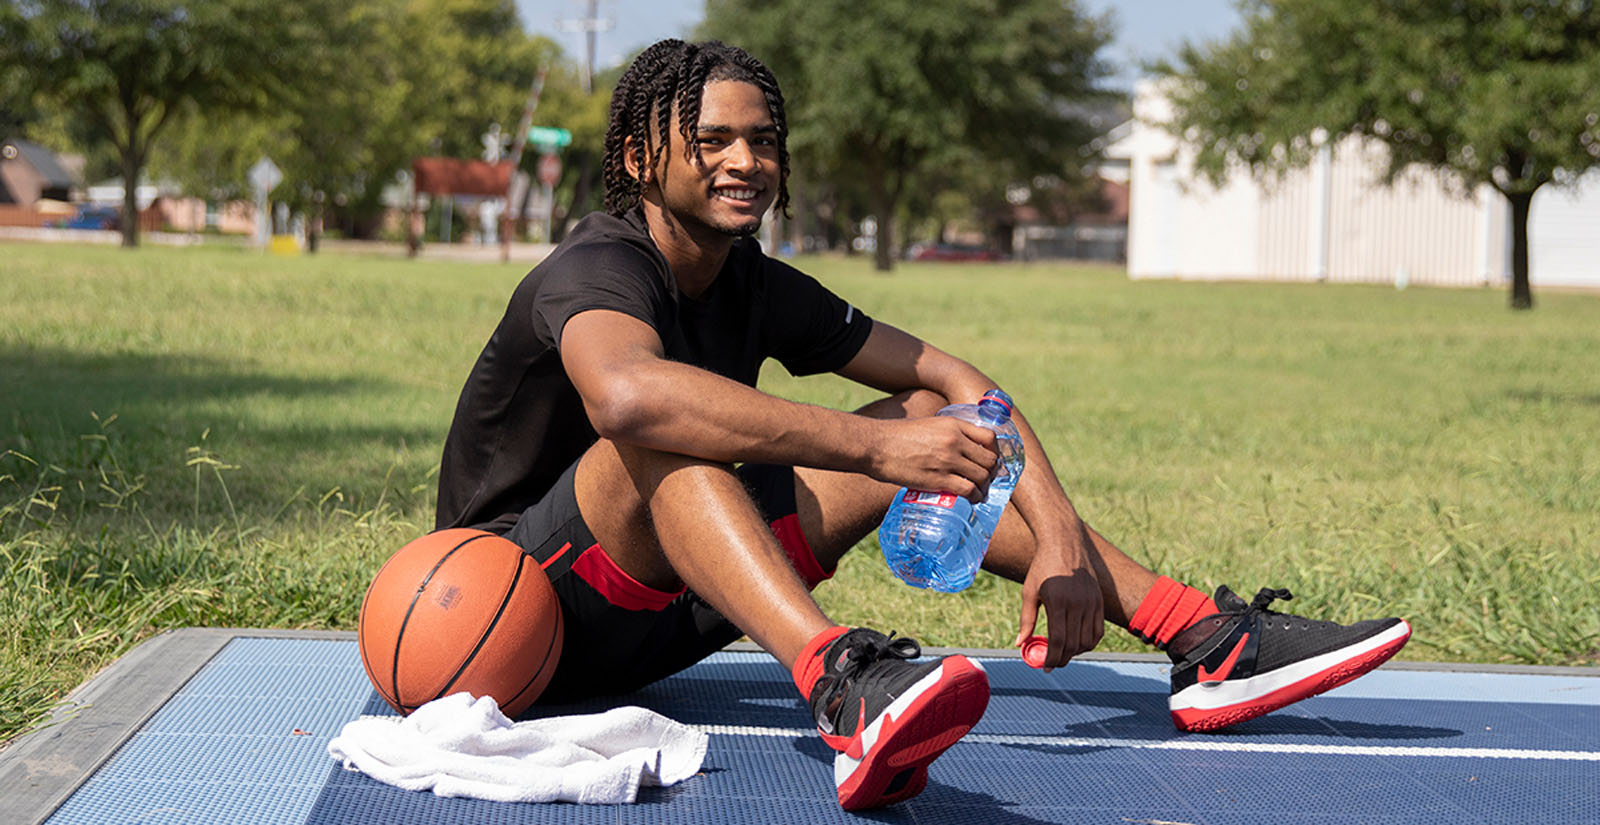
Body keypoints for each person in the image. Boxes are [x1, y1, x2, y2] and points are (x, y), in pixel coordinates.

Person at [434, 39, 1411, 810]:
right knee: (667, 429)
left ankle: (1197, 633)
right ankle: (836, 678)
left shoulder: (754, 285)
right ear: (641, 158)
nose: (747, 159)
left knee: (923, 411)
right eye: (714, 138)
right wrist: (873, 447)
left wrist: (1059, 537)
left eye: (763, 138)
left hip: (664, 615)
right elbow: (629, 400)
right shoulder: (595, 268)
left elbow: (956, 382)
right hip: (507, 620)